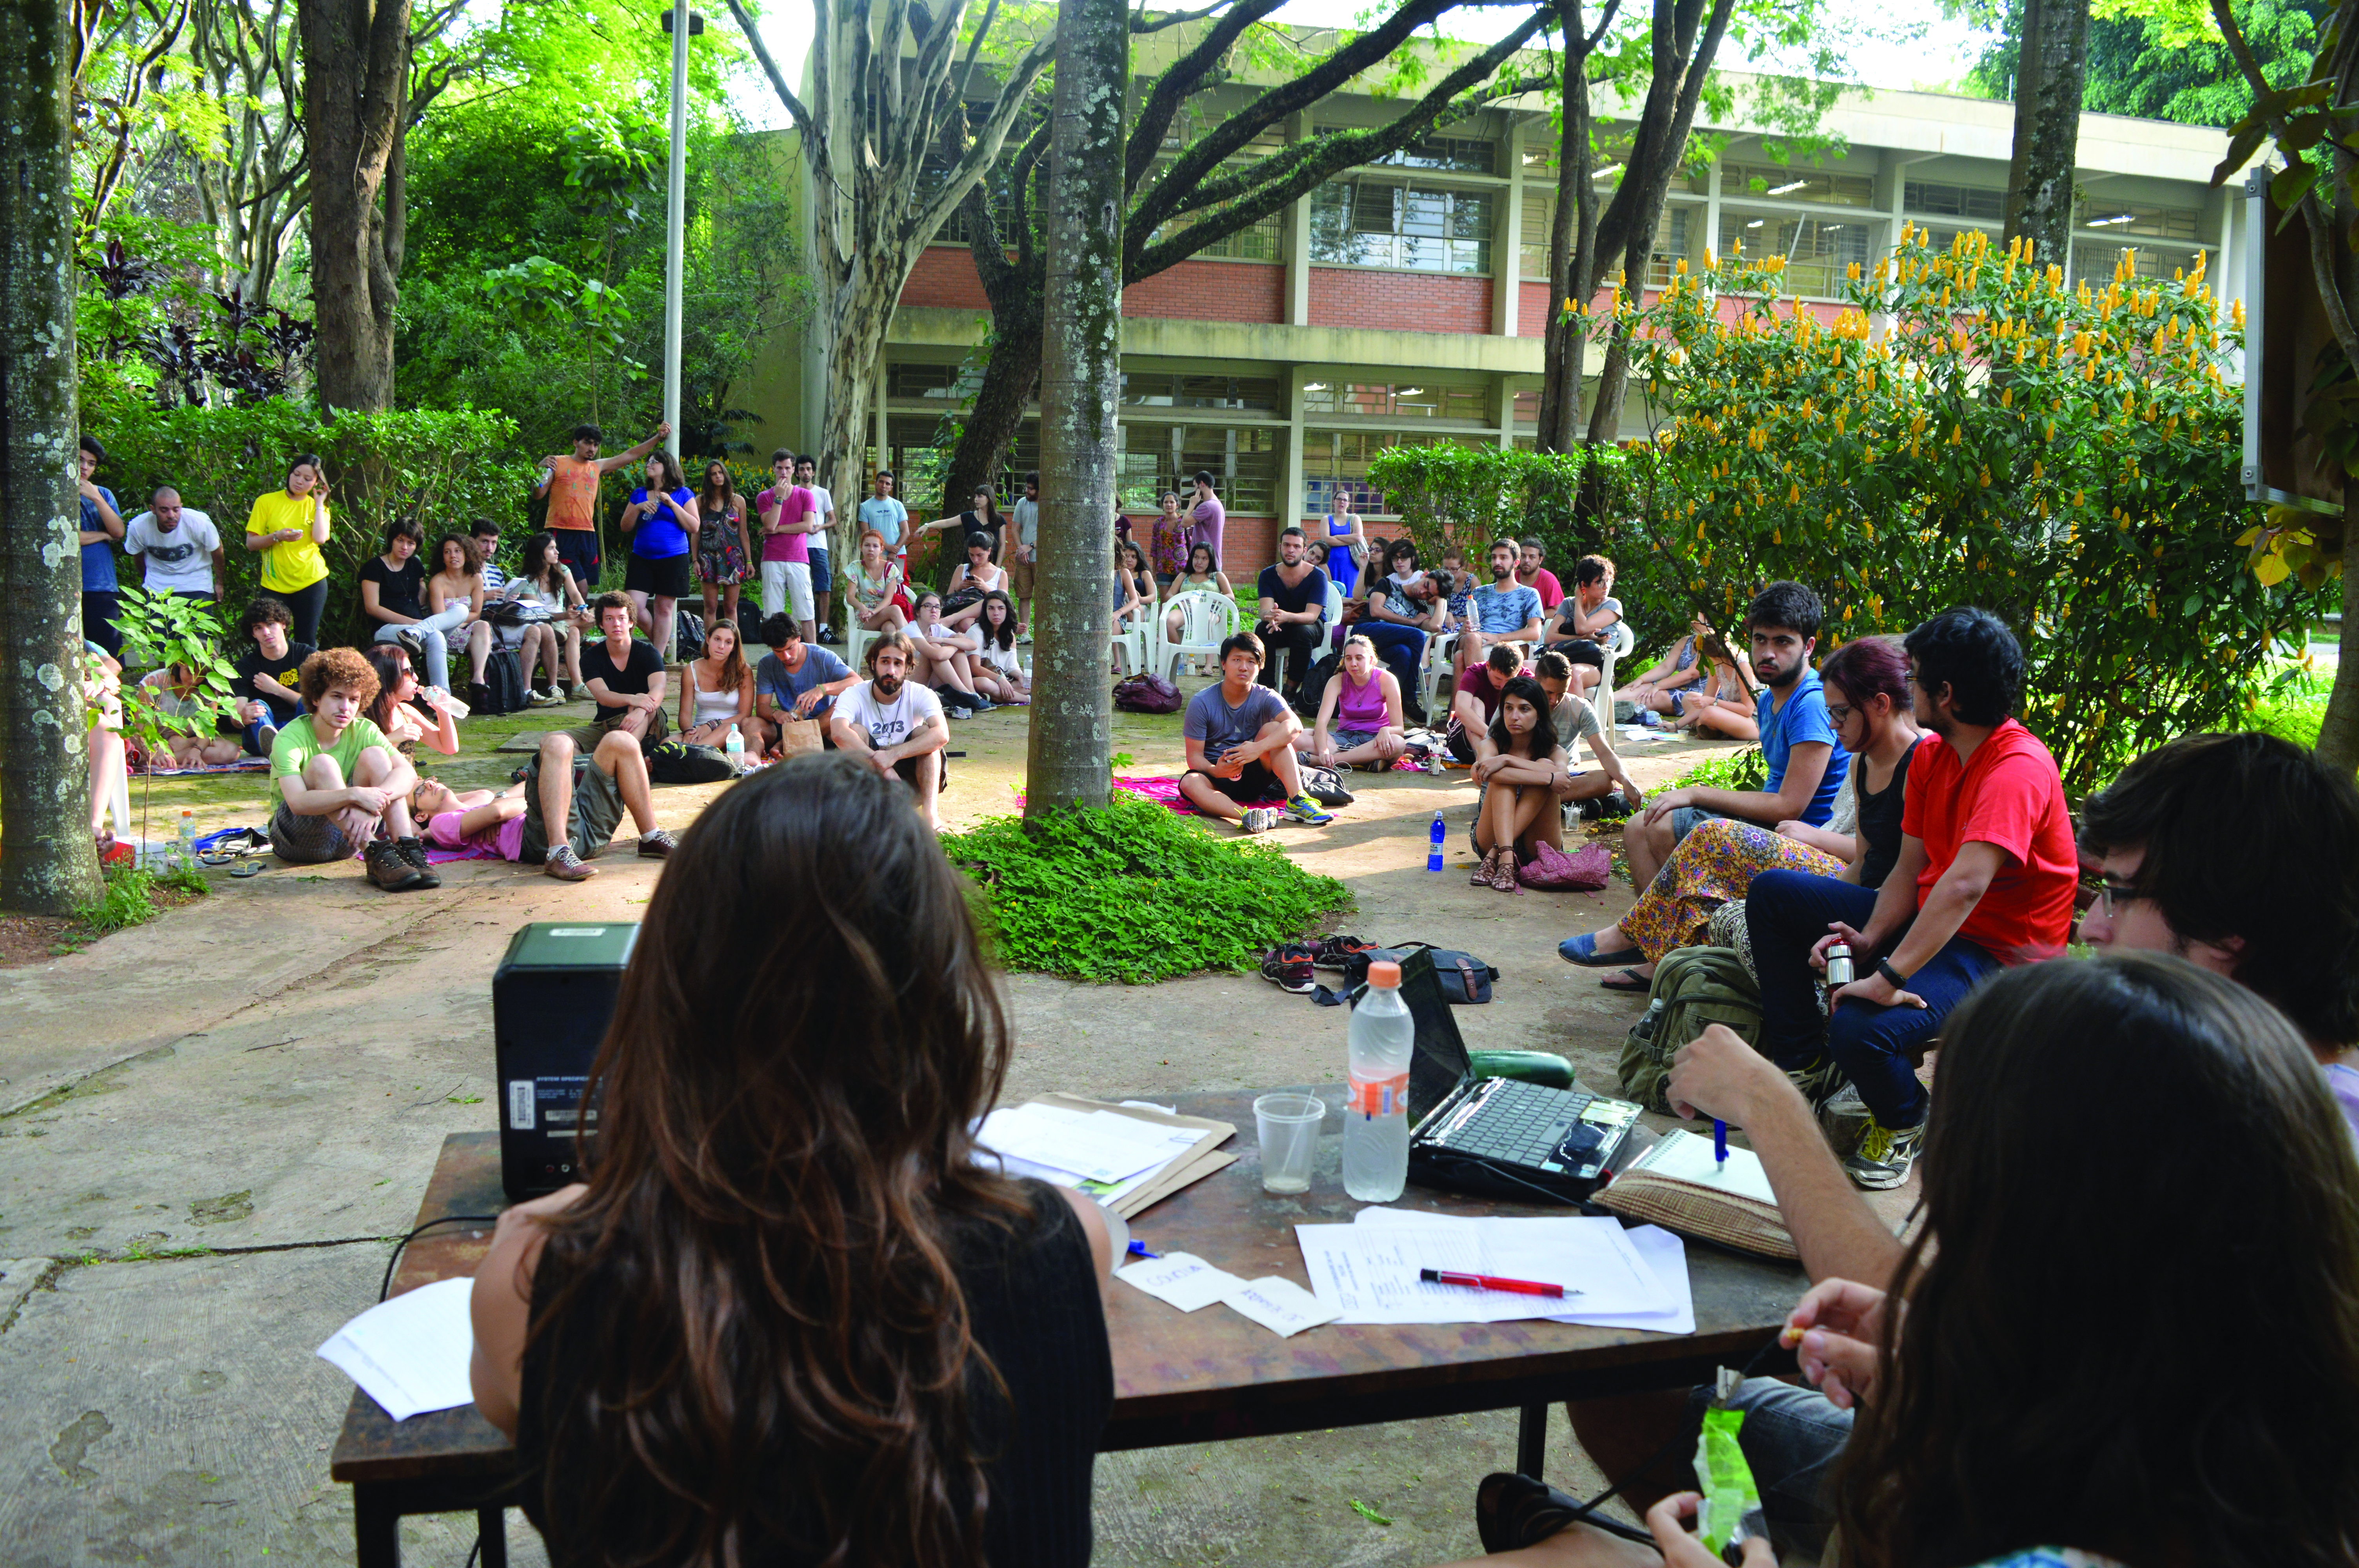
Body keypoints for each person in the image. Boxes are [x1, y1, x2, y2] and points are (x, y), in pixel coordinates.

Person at [1469, 954, 2359, 1568]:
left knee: (1540, 1530)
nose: (1919, 1199)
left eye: (1943, 1169)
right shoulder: (2253, 1465)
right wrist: (1947, 1377)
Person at [467, 756, 1115, 1568]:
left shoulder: (532, 1273)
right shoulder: (1066, 1241)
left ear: (670, 990)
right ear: (936, 998)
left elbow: (513, 1407)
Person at [1739, 606, 2074, 1188]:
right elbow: (1908, 870)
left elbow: (1965, 886)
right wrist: (1868, 937)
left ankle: (1906, 1118)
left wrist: (1886, 975)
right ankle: (1803, 1062)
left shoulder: (2015, 768)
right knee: (1774, 894)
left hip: (1999, 956)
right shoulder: (1934, 757)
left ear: (1946, 693)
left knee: (1861, 1027)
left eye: (1915, 678)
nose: (1906, 687)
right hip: (1935, 922)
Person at [1565, 635, 1919, 989]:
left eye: (1840, 713)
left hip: (1840, 867)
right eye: (1759, 639)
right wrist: (1821, 902)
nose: (1832, 723)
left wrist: (1814, 838)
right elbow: (1866, 857)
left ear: (1881, 705)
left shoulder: (1917, 763)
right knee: (1648, 824)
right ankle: (1658, 948)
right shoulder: (1863, 761)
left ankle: (1638, 935)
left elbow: (1901, 868)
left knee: (1712, 835)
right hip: (1836, 867)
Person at [2079, 730, 2359, 1128]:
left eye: (2119, 895)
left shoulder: (2265, 1149)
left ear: (2220, 923)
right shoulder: (2237, 1086)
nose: (2089, 930)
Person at [1615, 582, 1848, 892]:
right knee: (1636, 827)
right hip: (1771, 826)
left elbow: (1787, 807)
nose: (1768, 653)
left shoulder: (1811, 703)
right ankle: (1656, 932)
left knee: (1659, 826)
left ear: (1808, 647)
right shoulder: (1769, 700)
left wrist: (1697, 793)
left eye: (1782, 643)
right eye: (1760, 640)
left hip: (1803, 842)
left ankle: (1683, 926)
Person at [411, 728, 673, 882]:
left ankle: (651, 835)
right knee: (558, 741)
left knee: (622, 740)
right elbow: (499, 811)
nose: (431, 784)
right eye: (421, 790)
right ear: (422, 815)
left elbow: (503, 801)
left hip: (584, 833)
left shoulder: (475, 801)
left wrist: (511, 799)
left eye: (431, 780)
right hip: (542, 840)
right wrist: (511, 805)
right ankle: (557, 853)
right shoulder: (440, 824)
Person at [267, 647, 431, 891]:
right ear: (316, 698)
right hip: (297, 839)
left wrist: (374, 801)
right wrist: (355, 795)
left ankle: (406, 850)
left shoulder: (364, 729)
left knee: (377, 757)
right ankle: (376, 852)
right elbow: (298, 803)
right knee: (323, 763)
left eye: (353, 700)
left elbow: (407, 773)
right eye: (336, 697)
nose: (345, 707)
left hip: (348, 838)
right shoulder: (290, 737)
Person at [1178, 633, 1333, 834]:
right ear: (1223, 664)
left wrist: (1257, 749)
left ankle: (1297, 800)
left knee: (1274, 729)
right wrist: (1216, 770)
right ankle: (1247, 816)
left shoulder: (1266, 696)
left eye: (1251, 661)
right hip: (1217, 775)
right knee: (1190, 782)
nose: (1244, 667)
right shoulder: (1202, 702)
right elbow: (1194, 757)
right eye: (1237, 660)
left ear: (1260, 667)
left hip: (1256, 771)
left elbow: (1295, 725)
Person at [828, 632, 952, 830]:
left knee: (925, 734)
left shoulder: (921, 694)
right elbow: (838, 733)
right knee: (855, 730)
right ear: (873, 663)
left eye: (898, 663)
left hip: (912, 778)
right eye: (885, 662)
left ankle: (930, 817)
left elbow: (942, 734)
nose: (891, 671)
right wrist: (883, 765)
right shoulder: (854, 693)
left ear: (908, 667)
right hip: (870, 776)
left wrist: (893, 756)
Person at [531, 421, 670, 591]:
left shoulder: (597, 467)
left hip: (587, 533)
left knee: (580, 588)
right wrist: (540, 469)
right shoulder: (557, 463)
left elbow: (630, 455)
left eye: (596, 445)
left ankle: (569, 616)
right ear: (576, 443)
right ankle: (569, 617)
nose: (592, 449)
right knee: (577, 587)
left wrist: (658, 437)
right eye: (588, 443)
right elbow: (538, 494)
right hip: (561, 531)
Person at [1467, 675, 1569, 891]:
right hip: (1490, 834)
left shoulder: (1555, 751)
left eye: (1524, 709)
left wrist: (1508, 759)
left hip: (1538, 843)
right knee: (1504, 780)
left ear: (1539, 714)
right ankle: (1505, 854)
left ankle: (1501, 853)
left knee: (1543, 766)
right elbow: (1483, 771)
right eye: (1508, 708)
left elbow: (1561, 779)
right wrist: (1545, 776)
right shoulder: (1492, 744)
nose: (1514, 717)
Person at [1528, 650, 1645, 814]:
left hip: (1562, 778)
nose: (1554, 700)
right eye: (1548, 693)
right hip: (1527, 775)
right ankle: (1561, 806)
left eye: (1561, 693)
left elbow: (1604, 752)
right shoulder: (1519, 703)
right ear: (1536, 681)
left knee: (1606, 781)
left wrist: (1627, 781)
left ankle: (1541, 804)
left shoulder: (1580, 707)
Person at [361, 518, 468, 697]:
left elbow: (421, 589)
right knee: (436, 636)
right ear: (392, 541)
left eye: (411, 543)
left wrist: (423, 613)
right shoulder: (374, 567)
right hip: (387, 630)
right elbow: (372, 607)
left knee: (462, 610)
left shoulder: (415, 564)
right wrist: (413, 623)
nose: (405, 547)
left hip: (417, 630)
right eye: (400, 541)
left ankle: (417, 633)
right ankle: (443, 698)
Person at [244, 450, 333, 648]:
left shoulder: (319, 507)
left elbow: (320, 538)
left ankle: (305, 679)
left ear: (316, 483)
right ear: (289, 473)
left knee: (306, 641)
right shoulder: (266, 501)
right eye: (296, 474)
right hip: (274, 583)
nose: (300, 481)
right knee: (271, 640)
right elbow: (251, 543)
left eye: (308, 479)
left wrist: (319, 503)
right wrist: (277, 537)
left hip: (311, 580)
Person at [620, 450, 699, 659]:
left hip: (673, 557)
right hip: (642, 557)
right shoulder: (639, 494)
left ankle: (656, 657)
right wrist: (637, 509)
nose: (650, 464)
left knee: (664, 608)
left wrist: (672, 505)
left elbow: (694, 526)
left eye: (656, 462)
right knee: (634, 605)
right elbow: (625, 527)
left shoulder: (683, 493)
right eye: (649, 461)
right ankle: (660, 646)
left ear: (668, 467)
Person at [495, 530, 587, 704]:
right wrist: (565, 615)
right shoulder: (527, 581)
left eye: (556, 548)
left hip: (563, 621)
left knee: (592, 618)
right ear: (540, 553)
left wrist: (583, 610)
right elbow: (538, 614)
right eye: (551, 549)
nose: (557, 552)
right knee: (566, 630)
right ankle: (561, 686)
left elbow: (575, 593)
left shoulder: (563, 571)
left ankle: (572, 687)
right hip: (544, 621)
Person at [574, 591, 669, 751]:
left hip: (648, 722)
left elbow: (659, 688)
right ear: (601, 624)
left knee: (644, 702)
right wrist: (632, 699)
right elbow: (602, 695)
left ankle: (619, 753)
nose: (616, 624)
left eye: (622, 618)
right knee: (554, 740)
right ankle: (593, 763)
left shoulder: (649, 653)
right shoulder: (590, 657)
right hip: (606, 724)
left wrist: (640, 708)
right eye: (609, 619)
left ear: (631, 622)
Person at [1298, 635, 1405, 772]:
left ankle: (1324, 761)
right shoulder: (1337, 680)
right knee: (1299, 737)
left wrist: (1386, 730)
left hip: (1374, 740)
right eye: (1349, 658)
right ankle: (1363, 760)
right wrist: (1324, 750)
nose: (1353, 663)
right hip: (1344, 738)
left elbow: (1400, 730)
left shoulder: (1387, 680)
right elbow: (1321, 724)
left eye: (1359, 658)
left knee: (1398, 743)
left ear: (1371, 660)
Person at [221, 596, 311, 757]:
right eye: (258, 628)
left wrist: (278, 689)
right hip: (261, 732)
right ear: (253, 634)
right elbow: (236, 718)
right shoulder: (243, 667)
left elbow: (322, 704)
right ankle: (276, 748)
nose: (266, 632)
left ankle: (284, 749)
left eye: (271, 624)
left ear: (283, 624)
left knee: (312, 702)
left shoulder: (307, 656)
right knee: (257, 705)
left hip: (300, 727)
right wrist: (243, 716)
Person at [754, 612, 858, 750]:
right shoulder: (767, 664)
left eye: (790, 648)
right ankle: (753, 759)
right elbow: (761, 708)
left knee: (841, 706)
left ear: (798, 638)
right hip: (791, 724)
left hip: (825, 722)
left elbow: (857, 682)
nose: (786, 657)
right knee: (751, 723)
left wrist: (822, 690)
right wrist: (776, 714)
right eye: (778, 651)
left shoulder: (822, 656)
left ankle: (787, 745)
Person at [1359, 563, 1451, 709]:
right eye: (1426, 585)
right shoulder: (1387, 584)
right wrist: (1412, 622)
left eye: (1429, 595)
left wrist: (1441, 599)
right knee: (1418, 636)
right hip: (1366, 632)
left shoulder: (1419, 610)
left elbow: (1435, 627)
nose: (1422, 592)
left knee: (1404, 653)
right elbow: (1375, 610)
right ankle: (1409, 699)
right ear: (1424, 575)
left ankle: (1383, 705)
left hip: (1386, 647)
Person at [1254, 527, 1330, 704]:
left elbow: (1312, 616)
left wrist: (1286, 616)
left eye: (1296, 547)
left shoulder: (1318, 576)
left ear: (1304, 551)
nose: (1291, 550)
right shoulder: (1267, 575)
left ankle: (1290, 691)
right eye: (1287, 545)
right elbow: (1263, 611)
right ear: (1280, 547)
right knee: (1263, 629)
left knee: (1302, 632)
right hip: (1281, 624)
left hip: (1311, 627)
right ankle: (1267, 690)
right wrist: (1271, 616)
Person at [425, 532, 499, 710]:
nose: (453, 556)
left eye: (458, 551)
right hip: (444, 633)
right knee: (479, 632)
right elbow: (440, 618)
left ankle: (477, 678)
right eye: (448, 552)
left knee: (483, 626)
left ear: (467, 554)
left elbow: (477, 612)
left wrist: (461, 622)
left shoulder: (476, 579)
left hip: (468, 629)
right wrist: (456, 622)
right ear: (442, 557)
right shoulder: (437, 582)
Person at [752, 449, 819, 642]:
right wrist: (779, 498)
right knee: (773, 613)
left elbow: (808, 526)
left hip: (799, 559)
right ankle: (776, 654)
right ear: (773, 469)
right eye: (780, 468)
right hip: (772, 558)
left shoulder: (805, 495)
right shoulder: (764, 497)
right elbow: (769, 524)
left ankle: (814, 652)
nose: (784, 472)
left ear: (794, 471)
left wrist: (778, 529)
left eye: (788, 468)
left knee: (806, 610)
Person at [1456, 539, 1543, 682]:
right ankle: (1475, 699)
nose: (1497, 562)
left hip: (1506, 647)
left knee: (1460, 656)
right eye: (1494, 558)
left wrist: (1498, 638)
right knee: (1471, 639)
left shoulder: (1529, 594)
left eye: (1503, 558)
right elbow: (1465, 631)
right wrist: (1464, 629)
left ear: (1516, 563)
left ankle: (1467, 700)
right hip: (1475, 641)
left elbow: (1535, 632)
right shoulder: (1479, 593)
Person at [123, 487, 224, 608]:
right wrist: (147, 579)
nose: (171, 516)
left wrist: (219, 582)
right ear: (153, 510)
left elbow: (217, 550)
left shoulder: (199, 522)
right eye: (164, 510)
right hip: (158, 585)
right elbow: (138, 556)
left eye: (176, 510)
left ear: (181, 507)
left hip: (196, 582)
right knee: (160, 626)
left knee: (198, 626)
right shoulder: (138, 527)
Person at [363, 644, 463, 759]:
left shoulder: (406, 712)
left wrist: (443, 710)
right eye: (409, 672)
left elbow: (449, 748)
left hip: (407, 777)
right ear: (388, 676)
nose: (416, 678)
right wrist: (391, 739)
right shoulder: (361, 716)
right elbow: (355, 758)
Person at [134, 664, 243, 768]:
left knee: (230, 751)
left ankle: (157, 759)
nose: (194, 680)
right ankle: (157, 757)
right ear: (180, 663)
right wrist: (154, 751)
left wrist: (197, 750)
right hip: (153, 742)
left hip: (185, 743)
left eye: (200, 675)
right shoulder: (155, 681)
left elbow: (208, 728)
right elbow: (139, 730)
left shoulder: (208, 687)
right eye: (190, 672)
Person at [906, 590, 993, 715]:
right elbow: (938, 655)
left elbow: (972, 645)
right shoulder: (911, 630)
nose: (934, 610)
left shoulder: (936, 628)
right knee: (936, 647)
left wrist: (944, 640)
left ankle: (971, 693)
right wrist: (954, 644)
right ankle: (969, 696)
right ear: (918, 612)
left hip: (933, 682)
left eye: (937, 607)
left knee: (956, 650)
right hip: (910, 684)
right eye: (928, 606)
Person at [677, 615, 756, 751]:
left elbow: (745, 715)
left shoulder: (743, 670)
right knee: (667, 742)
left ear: (734, 647)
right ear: (708, 639)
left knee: (725, 730)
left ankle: (690, 753)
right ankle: (690, 753)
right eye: (717, 639)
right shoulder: (691, 670)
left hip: (730, 729)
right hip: (700, 728)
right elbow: (684, 715)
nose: (721, 646)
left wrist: (712, 725)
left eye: (728, 642)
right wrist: (689, 732)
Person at [1544, 555, 1619, 696]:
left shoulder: (1613, 605)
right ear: (1583, 585)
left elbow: (1582, 628)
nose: (1606, 586)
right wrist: (1584, 638)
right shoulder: (1568, 604)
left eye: (1609, 581)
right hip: (1563, 658)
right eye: (1600, 582)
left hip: (1600, 666)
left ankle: (1582, 717)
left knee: (1573, 673)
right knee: (1528, 668)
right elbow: (1549, 638)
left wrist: (1579, 601)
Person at [694, 458, 752, 635]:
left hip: (733, 558)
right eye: (714, 474)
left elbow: (743, 533)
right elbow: (696, 533)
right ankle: (710, 644)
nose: (718, 477)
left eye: (721, 473)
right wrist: (695, 560)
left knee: (730, 606)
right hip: (708, 557)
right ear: (708, 478)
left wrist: (749, 561)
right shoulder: (701, 501)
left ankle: (732, 644)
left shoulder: (738, 501)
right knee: (710, 606)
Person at [1447, 641, 1529, 765]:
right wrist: (1492, 736)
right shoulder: (1475, 672)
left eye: (1509, 681)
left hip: (1503, 744)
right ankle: (1482, 760)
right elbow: (1461, 710)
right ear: (1488, 666)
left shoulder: (1527, 678)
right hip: (1464, 742)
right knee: (1475, 703)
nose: (1503, 686)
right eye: (1498, 679)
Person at [792, 454, 839, 641]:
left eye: (809, 469)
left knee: (824, 587)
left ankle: (823, 629)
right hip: (797, 546)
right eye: (802, 469)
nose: (806, 473)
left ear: (813, 472)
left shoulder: (822, 493)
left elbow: (833, 519)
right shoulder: (792, 492)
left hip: (819, 545)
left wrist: (820, 526)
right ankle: (800, 628)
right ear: (797, 472)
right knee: (800, 587)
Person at [1617, 620, 1706, 711]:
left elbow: (1691, 675)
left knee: (1655, 696)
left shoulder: (1712, 642)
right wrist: (1641, 680)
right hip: (1679, 686)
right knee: (1639, 688)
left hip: (1699, 694)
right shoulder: (1686, 641)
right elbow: (1666, 667)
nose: (1691, 618)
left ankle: (1611, 713)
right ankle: (1604, 702)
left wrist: (1658, 686)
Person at [1161, 543, 1233, 644]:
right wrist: (1180, 603)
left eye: (1204, 559)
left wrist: (1208, 599)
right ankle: (1180, 652)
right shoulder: (1184, 576)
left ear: (1210, 561)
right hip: (1185, 611)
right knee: (1169, 622)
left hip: (1210, 611)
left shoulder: (1217, 576)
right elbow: (1169, 595)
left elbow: (1231, 596)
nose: (1199, 562)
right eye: (1196, 557)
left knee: (1206, 622)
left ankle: (1209, 661)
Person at [919, 484, 1009, 564]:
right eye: (975, 497)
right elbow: (947, 522)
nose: (976, 500)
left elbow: (1002, 545)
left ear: (989, 498)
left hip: (991, 563)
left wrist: (997, 568)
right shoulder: (969, 517)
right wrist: (928, 525)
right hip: (971, 562)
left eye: (980, 496)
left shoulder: (999, 520)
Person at [845, 528, 910, 637]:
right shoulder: (856, 567)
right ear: (861, 547)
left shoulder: (890, 569)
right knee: (895, 610)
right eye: (867, 545)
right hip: (865, 617)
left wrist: (873, 612)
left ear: (881, 549)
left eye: (875, 546)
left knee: (890, 629)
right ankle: (916, 644)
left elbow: (888, 600)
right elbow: (850, 597)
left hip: (884, 612)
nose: (871, 549)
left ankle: (893, 652)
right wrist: (863, 608)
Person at [970, 592, 1030, 705]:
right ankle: (1026, 699)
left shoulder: (1010, 635)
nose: (996, 613)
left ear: (1007, 611)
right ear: (985, 611)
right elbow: (974, 668)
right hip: (985, 679)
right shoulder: (976, 632)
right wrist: (1000, 679)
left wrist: (1021, 677)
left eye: (1001, 609)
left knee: (1032, 683)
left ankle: (999, 697)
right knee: (983, 683)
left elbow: (1012, 666)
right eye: (991, 609)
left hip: (1006, 681)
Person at [942, 532, 1007, 633]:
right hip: (961, 607)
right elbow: (948, 598)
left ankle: (952, 620)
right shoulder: (962, 569)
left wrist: (986, 589)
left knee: (970, 623)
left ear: (989, 551)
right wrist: (959, 587)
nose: (975, 560)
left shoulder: (1000, 574)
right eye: (971, 555)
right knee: (967, 625)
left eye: (980, 555)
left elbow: (1003, 603)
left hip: (985, 612)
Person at [1009, 470, 1040, 638]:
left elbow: (1050, 533)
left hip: (1041, 558)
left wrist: (1032, 546)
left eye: (1031, 489)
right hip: (1023, 558)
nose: (1027, 491)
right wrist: (1021, 548)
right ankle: (1025, 632)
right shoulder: (1022, 503)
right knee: (1024, 595)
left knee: (1042, 597)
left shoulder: (1047, 505)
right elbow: (1015, 528)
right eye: (1026, 488)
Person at [858, 468, 909, 566]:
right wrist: (886, 547)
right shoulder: (865, 507)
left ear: (891, 487)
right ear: (876, 483)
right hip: (876, 553)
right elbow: (866, 534)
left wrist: (894, 550)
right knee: (876, 581)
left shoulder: (898, 505)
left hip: (898, 554)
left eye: (888, 484)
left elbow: (906, 531)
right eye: (881, 482)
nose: (884, 486)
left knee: (899, 581)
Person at [1319, 502, 1369, 601]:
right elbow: (1326, 540)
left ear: (1348, 503)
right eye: (1339, 499)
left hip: (1351, 566)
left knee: (1351, 597)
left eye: (1345, 500)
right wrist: (1349, 540)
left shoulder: (1355, 519)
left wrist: (1337, 537)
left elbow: (1358, 537)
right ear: (1334, 501)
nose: (1342, 502)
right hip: (1331, 564)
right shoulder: (1326, 519)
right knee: (1331, 594)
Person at [1113, 541, 1158, 646]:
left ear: (1139, 559)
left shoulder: (1144, 574)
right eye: (1127, 556)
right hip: (1122, 605)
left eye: (1134, 557)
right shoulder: (1119, 573)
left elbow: (1153, 596)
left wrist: (1140, 599)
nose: (1130, 560)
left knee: (1133, 607)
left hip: (1140, 607)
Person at [1515, 537, 1565, 614]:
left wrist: (1533, 616)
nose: (1527, 560)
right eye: (1523, 556)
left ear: (1540, 560)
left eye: (1532, 557)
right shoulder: (1512, 577)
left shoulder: (1549, 580)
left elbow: (1561, 612)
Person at [1185, 470, 1225, 565]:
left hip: (1204, 562)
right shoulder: (1218, 504)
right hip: (1213, 560)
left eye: (1195, 486)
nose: (1195, 490)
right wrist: (1196, 531)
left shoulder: (1206, 506)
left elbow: (1184, 523)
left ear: (1202, 484)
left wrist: (1192, 504)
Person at [1148, 488, 1188, 581]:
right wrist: (1154, 570)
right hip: (1163, 568)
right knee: (1166, 597)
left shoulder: (1184, 521)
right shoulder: (1158, 523)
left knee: (1181, 596)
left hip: (1182, 568)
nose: (1169, 505)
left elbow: (1191, 543)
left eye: (1172, 502)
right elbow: (1154, 548)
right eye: (1166, 502)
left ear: (1177, 505)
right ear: (1163, 505)